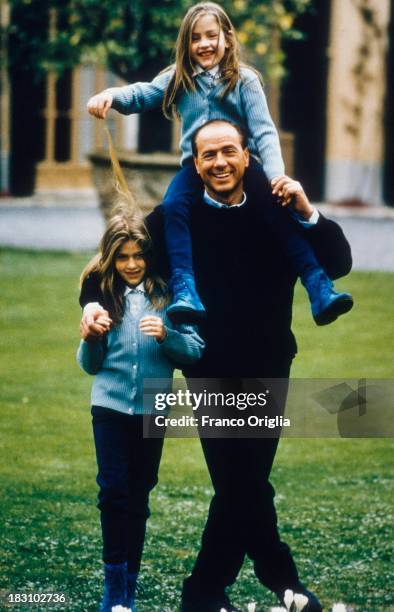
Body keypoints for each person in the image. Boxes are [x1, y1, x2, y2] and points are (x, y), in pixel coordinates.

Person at [81, 119, 353, 612]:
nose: (220, 162)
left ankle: (205, 591)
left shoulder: (276, 210)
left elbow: (337, 263)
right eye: (208, 155)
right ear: (196, 163)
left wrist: (308, 210)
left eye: (229, 151)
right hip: (207, 366)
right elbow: (116, 260)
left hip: (270, 363)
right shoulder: (177, 218)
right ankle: (279, 581)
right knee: (240, 481)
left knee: (243, 482)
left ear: (247, 157)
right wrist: (90, 304)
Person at [86, 1, 353, 327]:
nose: (204, 44)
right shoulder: (179, 78)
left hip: (247, 168)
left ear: (227, 37)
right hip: (194, 170)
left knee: (278, 210)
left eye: (211, 36)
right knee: (173, 207)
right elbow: (144, 94)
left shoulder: (244, 80)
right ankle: (185, 288)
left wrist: (276, 177)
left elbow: (264, 131)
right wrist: (112, 96)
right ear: (186, 45)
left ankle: (318, 284)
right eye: (195, 38)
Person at [76, 203, 205, 612]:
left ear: (150, 255)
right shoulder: (103, 299)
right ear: (112, 258)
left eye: (139, 255)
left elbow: (195, 352)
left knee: (138, 495)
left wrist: (167, 335)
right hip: (109, 409)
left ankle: (128, 582)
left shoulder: (169, 295)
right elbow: (89, 367)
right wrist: (90, 338)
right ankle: (114, 591)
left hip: (154, 411)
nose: (132, 264)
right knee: (113, 492)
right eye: (123, 257)